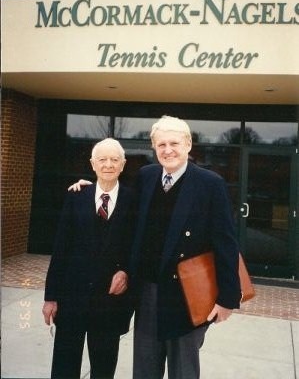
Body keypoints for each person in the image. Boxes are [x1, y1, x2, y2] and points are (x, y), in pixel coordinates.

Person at [69, 116, 241, 379]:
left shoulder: (210, 184)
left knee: (183, 371)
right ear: (154, 148)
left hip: (188, 295)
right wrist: (90, 190)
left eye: (174, 143)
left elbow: (226, 243)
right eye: (161, 144)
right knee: (145, 370)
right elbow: (119, 202)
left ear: (188, 145)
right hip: (147, 291)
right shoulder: (146, 176)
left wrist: (228, 298)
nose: (168, 150)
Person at [42, 138, 135, 379]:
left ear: (123, 165)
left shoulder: (134, 200)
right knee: (64, 366)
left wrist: (126, 272)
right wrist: (51, 296)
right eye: (102, 159)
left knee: (103, 369)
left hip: (110, 303)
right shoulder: (76, 196)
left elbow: (139, 249)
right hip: (71, 299)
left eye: (114, 159)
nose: (108, 164)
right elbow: (60, 250)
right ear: (92, 164)